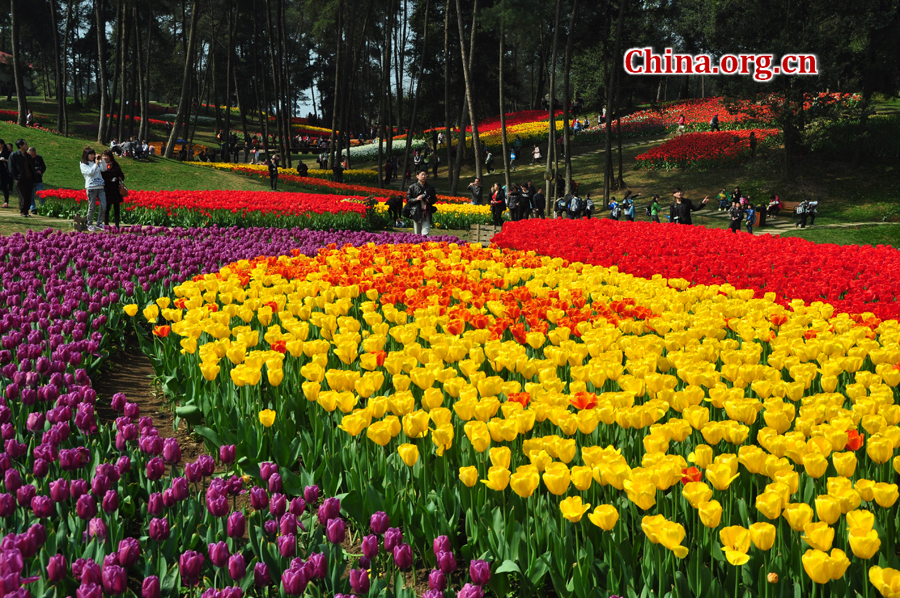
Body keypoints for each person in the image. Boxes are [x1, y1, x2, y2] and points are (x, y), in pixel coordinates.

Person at [79, 146, 108, 231]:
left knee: (104, 205)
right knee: (92, 206)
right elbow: (90, 173)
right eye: (90, 154)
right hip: (91, 187)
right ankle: (89, 223)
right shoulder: (83, 164)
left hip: (100, 186)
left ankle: (99, 223)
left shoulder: (97, 163)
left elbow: (104, 169)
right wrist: (96, 164)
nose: (92, 156)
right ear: (86, 155)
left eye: (93, 154)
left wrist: (101, 161)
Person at [405, 170, 437, 236]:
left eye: (425, 175)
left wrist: (430, 200)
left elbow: (434, 199)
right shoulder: (412, 187)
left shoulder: (430, 187)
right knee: (417, 234)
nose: (424, 176)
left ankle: (425, 244)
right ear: (417, 176)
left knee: (425, 234)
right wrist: (416, 199)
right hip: (416, 212)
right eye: (422, 175)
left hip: (427, 212)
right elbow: (408, 199)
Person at [9, 139, 35, 218]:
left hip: (29, 178)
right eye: (25, 144)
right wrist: (16, 176)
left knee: (28, 195)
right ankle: (23, 211)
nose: (27, 146)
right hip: (20, 179)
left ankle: (26, 211)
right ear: (20, 146)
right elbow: (11, 168)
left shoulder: (28, 156)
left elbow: (31, 167)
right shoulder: (14, 155)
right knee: (22, 195)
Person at [101, 150, 125, 229]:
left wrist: (117, 178)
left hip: (115, 189)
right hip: (106, 189)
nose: (105, 158)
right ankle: (106, 225)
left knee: (116, 208)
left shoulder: (115, 165)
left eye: (106, 156)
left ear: (110, 157)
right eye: (103, 156)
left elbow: (122, 175)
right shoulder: (101, 165)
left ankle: (117, 225)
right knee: (106, 208)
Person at [27, 147, 46, 214]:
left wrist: (41, 171)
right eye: (32, 155)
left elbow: (43, 167)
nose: (33, 156)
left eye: (34, 154)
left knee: (41, 194)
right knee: (31, 195)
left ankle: (42, 207)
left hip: (38, 180)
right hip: (30, 180)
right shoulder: (26, 158)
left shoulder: (39, 158)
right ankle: (33, 208)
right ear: (28, 153)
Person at [0, 139, 11, 208]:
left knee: (4, 187)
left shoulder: (7, 152)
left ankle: (6, 201)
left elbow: (11, 161)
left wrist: (5, 160)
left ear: (2, 144)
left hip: (4, 172)